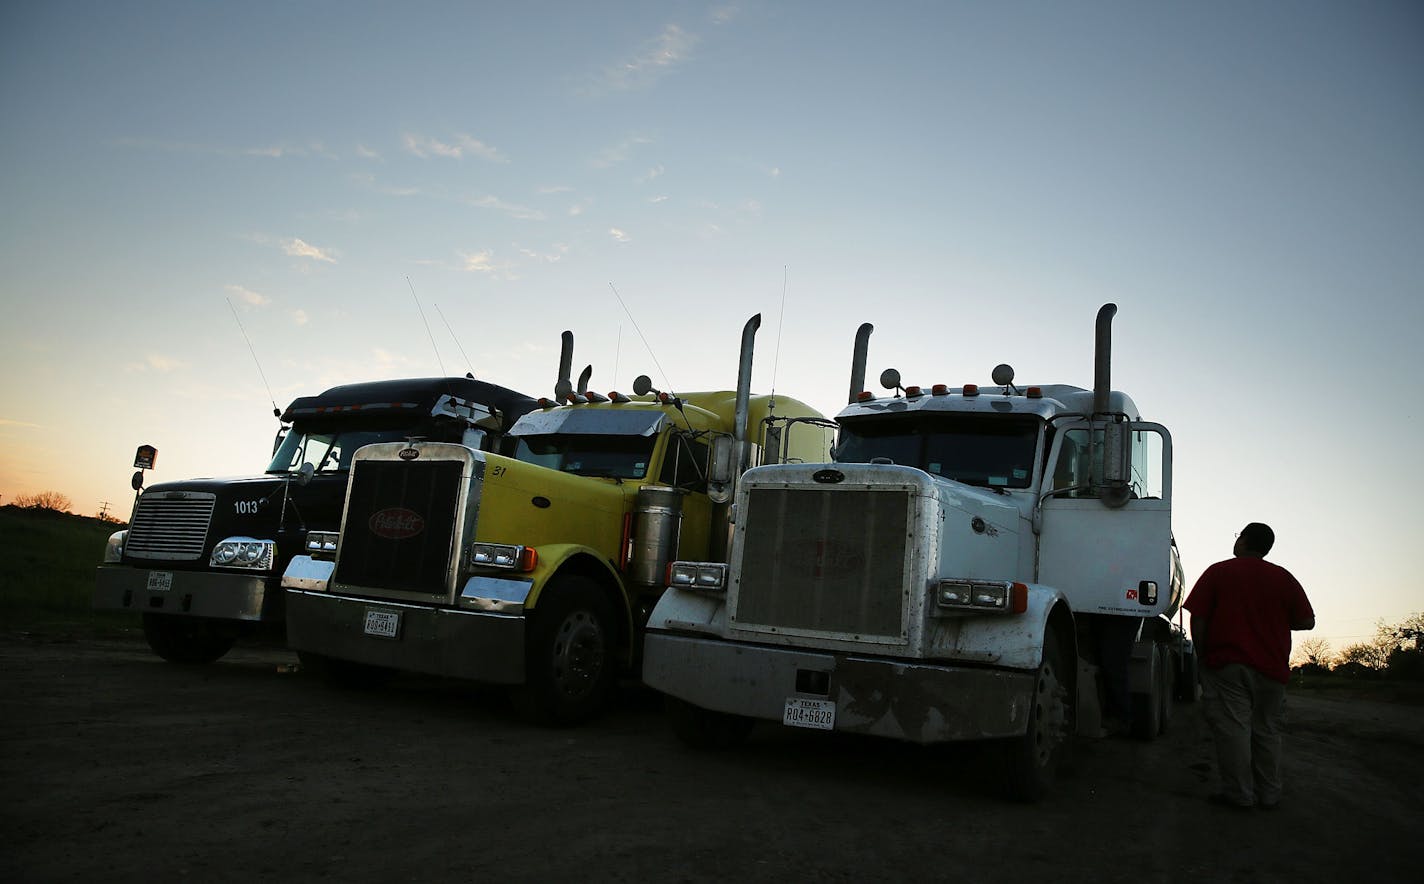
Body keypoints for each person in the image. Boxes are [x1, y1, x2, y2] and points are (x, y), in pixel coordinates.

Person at [1183, 522, 1314, 810]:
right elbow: (1307, 621)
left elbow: (1199, 617)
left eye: (1238, 536)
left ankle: (1240, 794)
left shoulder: (1219, 572)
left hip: (1229, 666)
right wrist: (1276, 619)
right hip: (1273, 670)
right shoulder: (1284, 578)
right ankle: (1269, 794)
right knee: (1267, 730)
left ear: (1243, 541)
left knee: (1234, 729)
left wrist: (1203, 657)